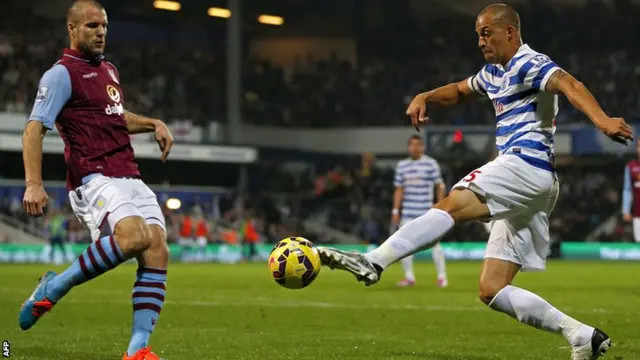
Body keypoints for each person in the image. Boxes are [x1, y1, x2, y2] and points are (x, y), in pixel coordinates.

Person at [316, 3, 632, 359]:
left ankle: (373, 261)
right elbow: (460, 90)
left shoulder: (530, 63)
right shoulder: (493, 72)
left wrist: (602, 120)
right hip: (535, 183)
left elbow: (570, 84)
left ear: (510, 32)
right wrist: (426, 96)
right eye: (478, 35)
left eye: (487, 33)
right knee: (491, 289)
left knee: (453, 201)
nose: (481, 41)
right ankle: (581, 336)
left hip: (524, 165)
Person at [18, 1, 174, 359]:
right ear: (71, 29)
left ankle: (137, 351)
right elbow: (33, 130)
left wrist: (152, 123)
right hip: (93, 176)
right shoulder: (60, 75)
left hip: (129, 173)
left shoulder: (109, 70)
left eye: (103, 25)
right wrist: (33, 183)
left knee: (157, 249)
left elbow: (115, 116)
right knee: (134, 237)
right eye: (91, 26)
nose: (100, 32)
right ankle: (53, 288)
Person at [391, 135, 447, 287]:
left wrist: (439, 206)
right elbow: (399, 189)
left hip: (425, 212)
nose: (414, 148)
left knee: (435, 244)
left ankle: (442, 277)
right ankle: (409, 278)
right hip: (408, 212)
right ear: (408, 147)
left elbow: (439, 185)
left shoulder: (431, 164)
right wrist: (395, 211)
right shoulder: (402, 165)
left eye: (418, 145)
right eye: (412, 145)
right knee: (403, 245)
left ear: (422, 147)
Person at [622, 141, 640, 242]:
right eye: (638, 147)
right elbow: (627, 190)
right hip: (637, 213)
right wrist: (626, 210)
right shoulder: (631, 166)